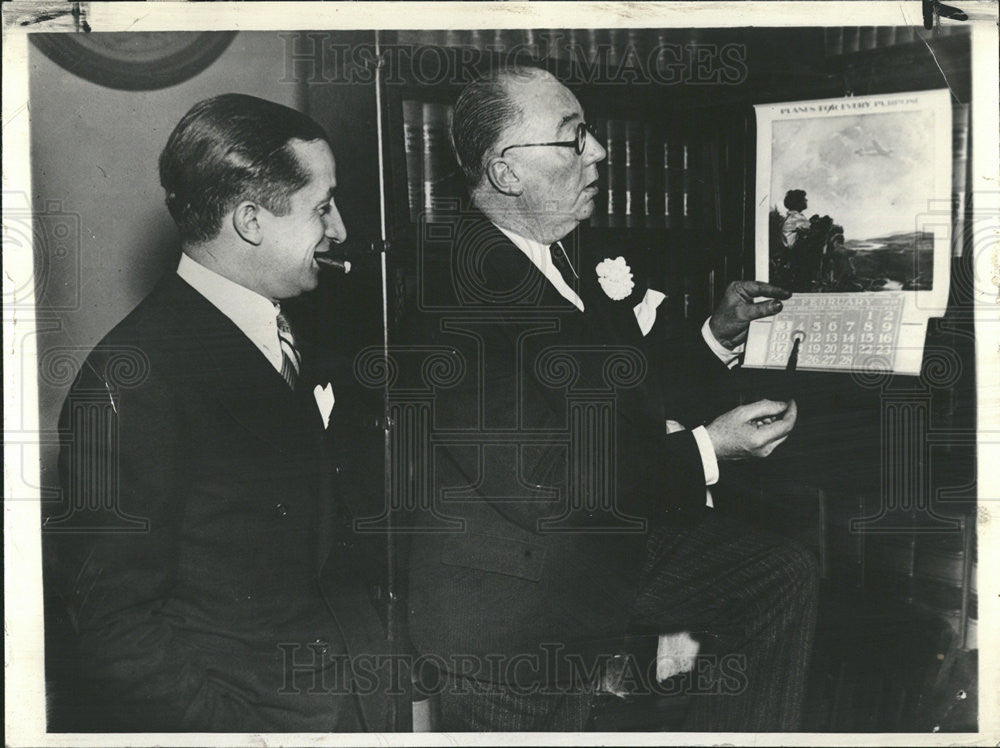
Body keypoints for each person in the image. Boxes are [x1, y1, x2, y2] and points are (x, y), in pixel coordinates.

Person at [405, 67, 818, 732]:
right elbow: (548, 479)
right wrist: (710, 449)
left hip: (590, 551)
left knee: (778, 575)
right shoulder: (447, 294)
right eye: (573, 139)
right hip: (511, 606)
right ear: (506, 173)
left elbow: (622, 387)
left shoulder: (562, 251)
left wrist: (716, 333)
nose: (598, 151)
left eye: (590, 132)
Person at [42, 94, 392, 732]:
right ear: (252, 221)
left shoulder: (310, 332)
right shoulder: (132, 375)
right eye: (322, 208)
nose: (340, 229)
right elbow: (114, 623)